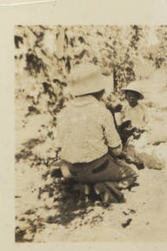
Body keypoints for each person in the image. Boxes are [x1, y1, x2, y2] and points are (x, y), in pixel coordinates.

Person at [56, 64, 137, 206]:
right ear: (98, 91)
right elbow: (116, 150)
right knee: (131, 173)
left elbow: (60, 145)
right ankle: (104, 186)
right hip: (95, 168)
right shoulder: (101, 111)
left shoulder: (63, 113)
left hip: (69, 170)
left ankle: (81, 185)